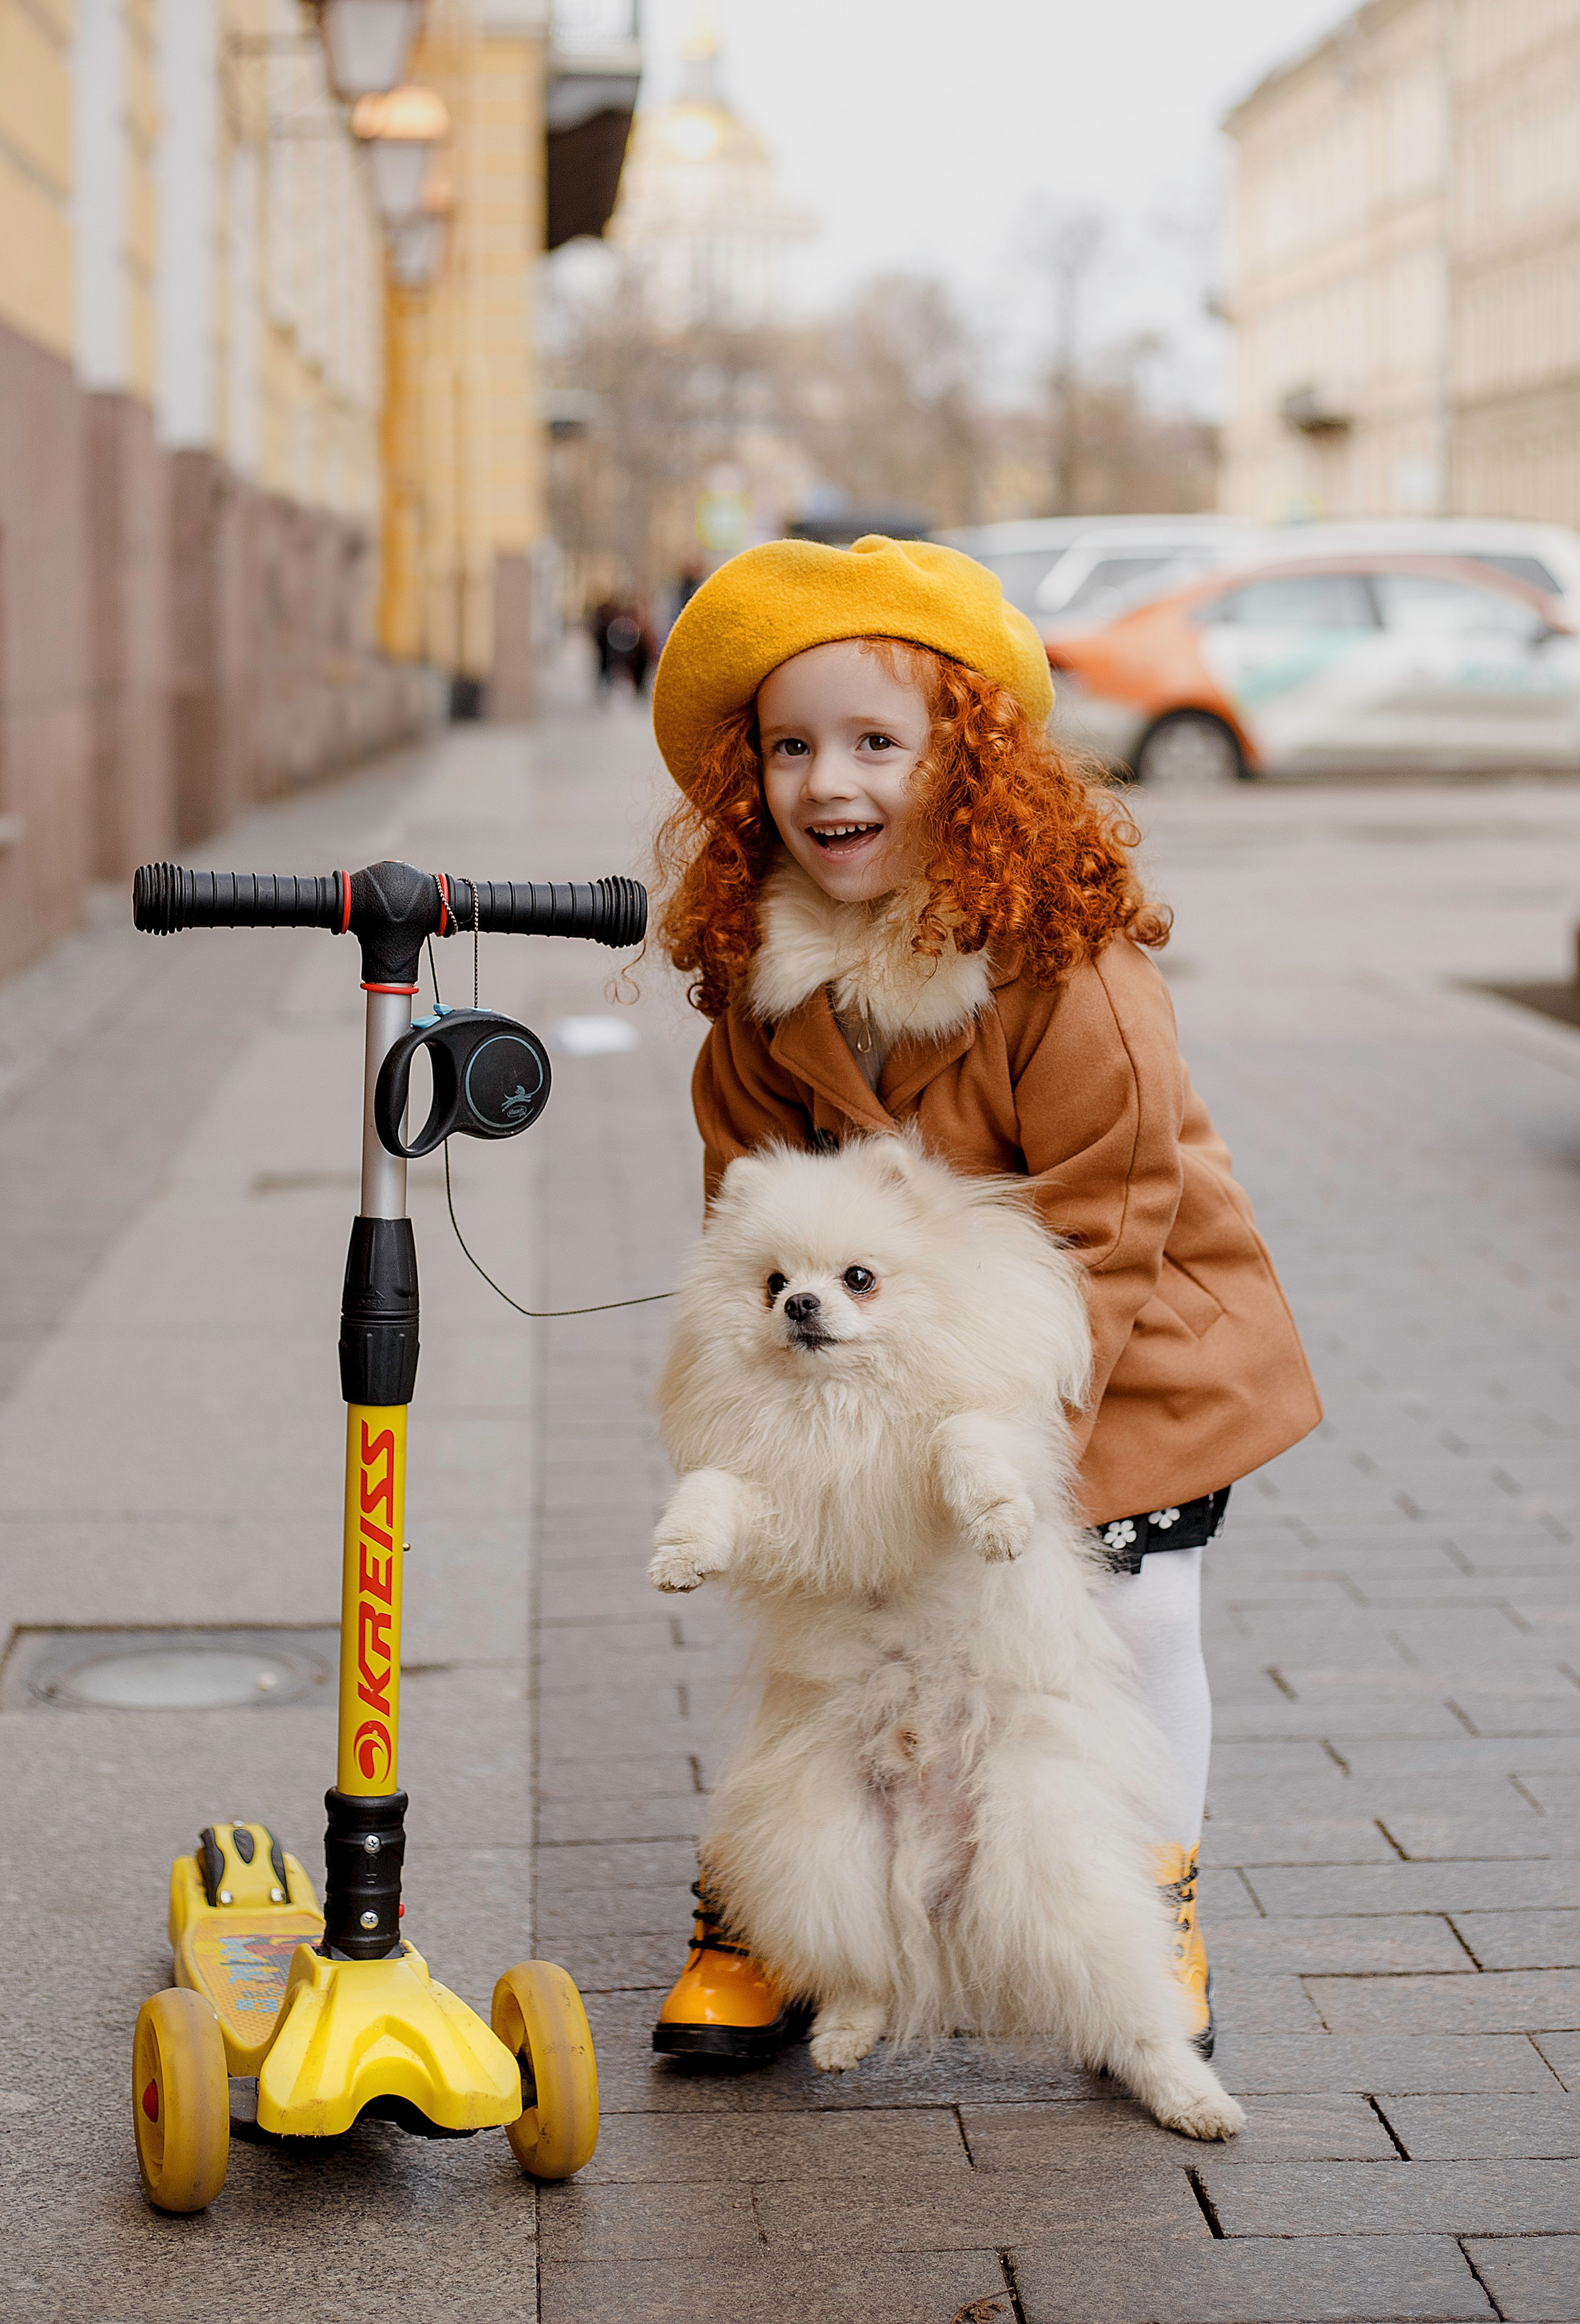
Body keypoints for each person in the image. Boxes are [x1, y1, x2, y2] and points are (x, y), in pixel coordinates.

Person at [643, 533, 1320, 2063]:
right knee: (821, 1624)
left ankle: (1149, 1904)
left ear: (967, 763)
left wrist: (1001, 1433)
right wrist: (767, 1432)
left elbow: (1112, 1210)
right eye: (792, 747)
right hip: (869, 1366)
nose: (832, 782)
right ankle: (771, 1908)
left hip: (1119, 1349)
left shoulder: (1060, 968)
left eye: (878, 742)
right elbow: (739, 1224)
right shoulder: (764, 990)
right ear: (749, 778)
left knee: (1134, 1621)